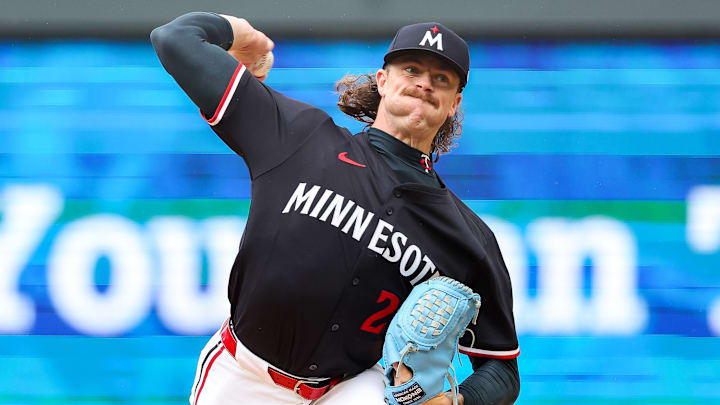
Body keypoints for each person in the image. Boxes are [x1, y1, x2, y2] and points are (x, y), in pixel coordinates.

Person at [151, 11, 520, 405]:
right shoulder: (299, 136)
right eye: (411, 69)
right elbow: (174, 38)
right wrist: (243, 33)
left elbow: (502, 369)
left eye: (441, 79)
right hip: (244, 377)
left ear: (454, 104)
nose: (424, 83)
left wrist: (456, 402)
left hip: (354, 388)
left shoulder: (467, 236)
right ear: (382, 81)